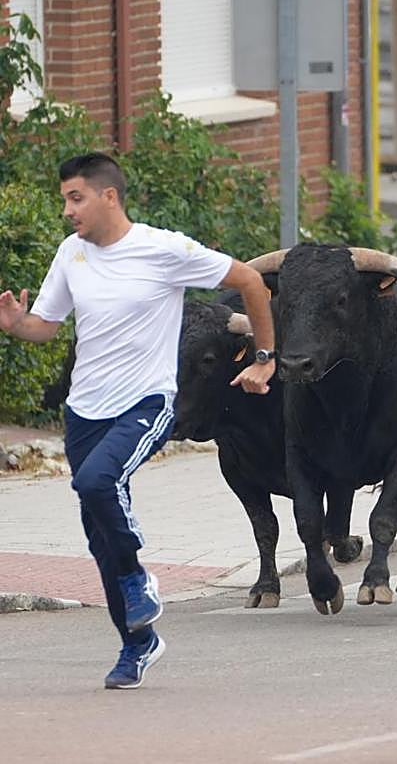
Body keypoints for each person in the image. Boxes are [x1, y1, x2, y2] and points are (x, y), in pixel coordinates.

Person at [0, 153, 276, 690]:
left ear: (108, 197)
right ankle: (137, 644)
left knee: (97, 481)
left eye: (75, 198)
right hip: (84, 412)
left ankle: (137, 578)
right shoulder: (71, 254)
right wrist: (14, 324)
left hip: (145, 404)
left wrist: (264, 360)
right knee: (99, 533)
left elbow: (251, 282)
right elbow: (47, 325)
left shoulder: (163, 249)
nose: (66, 210)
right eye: (63, 199)